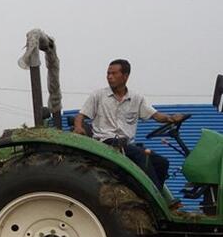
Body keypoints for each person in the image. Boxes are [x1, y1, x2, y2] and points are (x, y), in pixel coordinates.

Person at [73, 59, 185, 190]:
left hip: (126, 145)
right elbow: (81, 116)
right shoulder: (98, 95)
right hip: (105, 144)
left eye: (114, 73)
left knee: (162, 163)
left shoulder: (136, 98)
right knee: (141, 156)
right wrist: (78, 127)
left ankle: (154, 195)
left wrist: (170, 118)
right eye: (108, 73)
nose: (109, 77)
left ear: (125, 76)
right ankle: (153, 196)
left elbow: (155, 115)